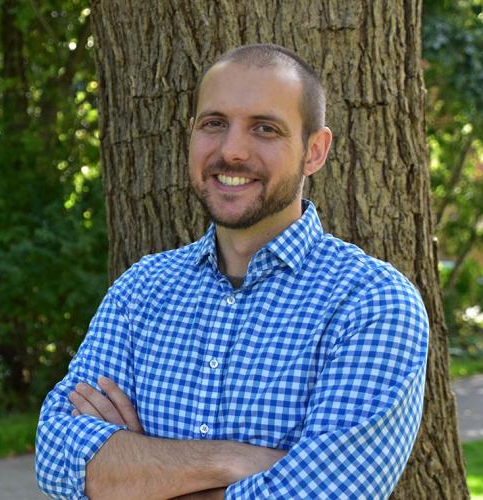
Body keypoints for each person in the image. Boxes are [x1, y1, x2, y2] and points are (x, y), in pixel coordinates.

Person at [35, 43, 429, 499]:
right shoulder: (141, 292)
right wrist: (233, 461)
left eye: (265, 128)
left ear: (314, 151)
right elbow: (56, 457)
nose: (232, 151)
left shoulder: (371, 303)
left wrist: (138, 468)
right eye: (214, 124)